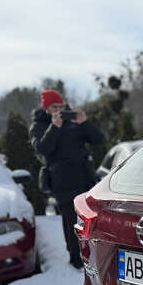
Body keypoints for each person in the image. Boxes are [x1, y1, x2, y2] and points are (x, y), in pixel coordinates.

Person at [29, 89, 103, 269]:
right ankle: (76, 258)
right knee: (71, 220)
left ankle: (95, 253)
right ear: (46, 108)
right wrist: (54, 127)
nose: (58, 110)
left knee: (92, 218)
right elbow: (43, 149)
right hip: (62, 181)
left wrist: (85, 124)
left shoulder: (73, 120)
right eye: (54, 107)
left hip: (84, 177)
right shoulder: (39, 126)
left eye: (61, 106)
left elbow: (98, 139)